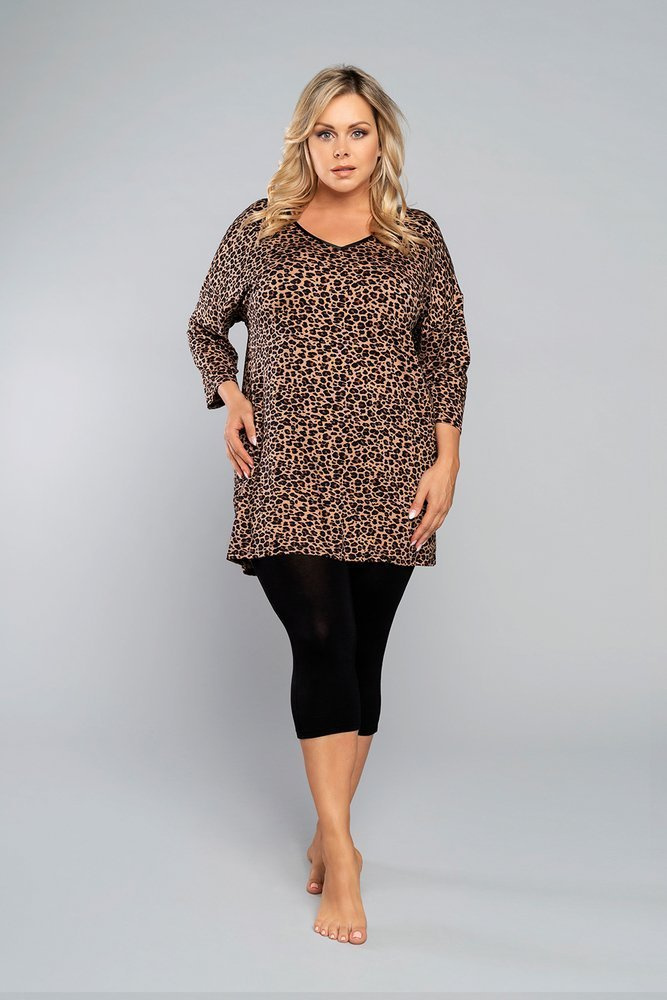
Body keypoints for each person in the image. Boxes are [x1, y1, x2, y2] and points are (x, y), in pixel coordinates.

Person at [187, 64, 471, 946]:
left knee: (364, 650)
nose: (341, 149)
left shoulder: (416, 237)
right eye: (325, 132)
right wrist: (229, 394)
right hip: (287, 471)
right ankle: (342, 855)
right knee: (320, 635)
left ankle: (326, 824)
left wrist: (447, 460)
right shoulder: (260, 228)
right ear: (302, 141)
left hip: (392, 470)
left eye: (356, 131)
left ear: (379, 142)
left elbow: (448, 351)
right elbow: (205, 325)